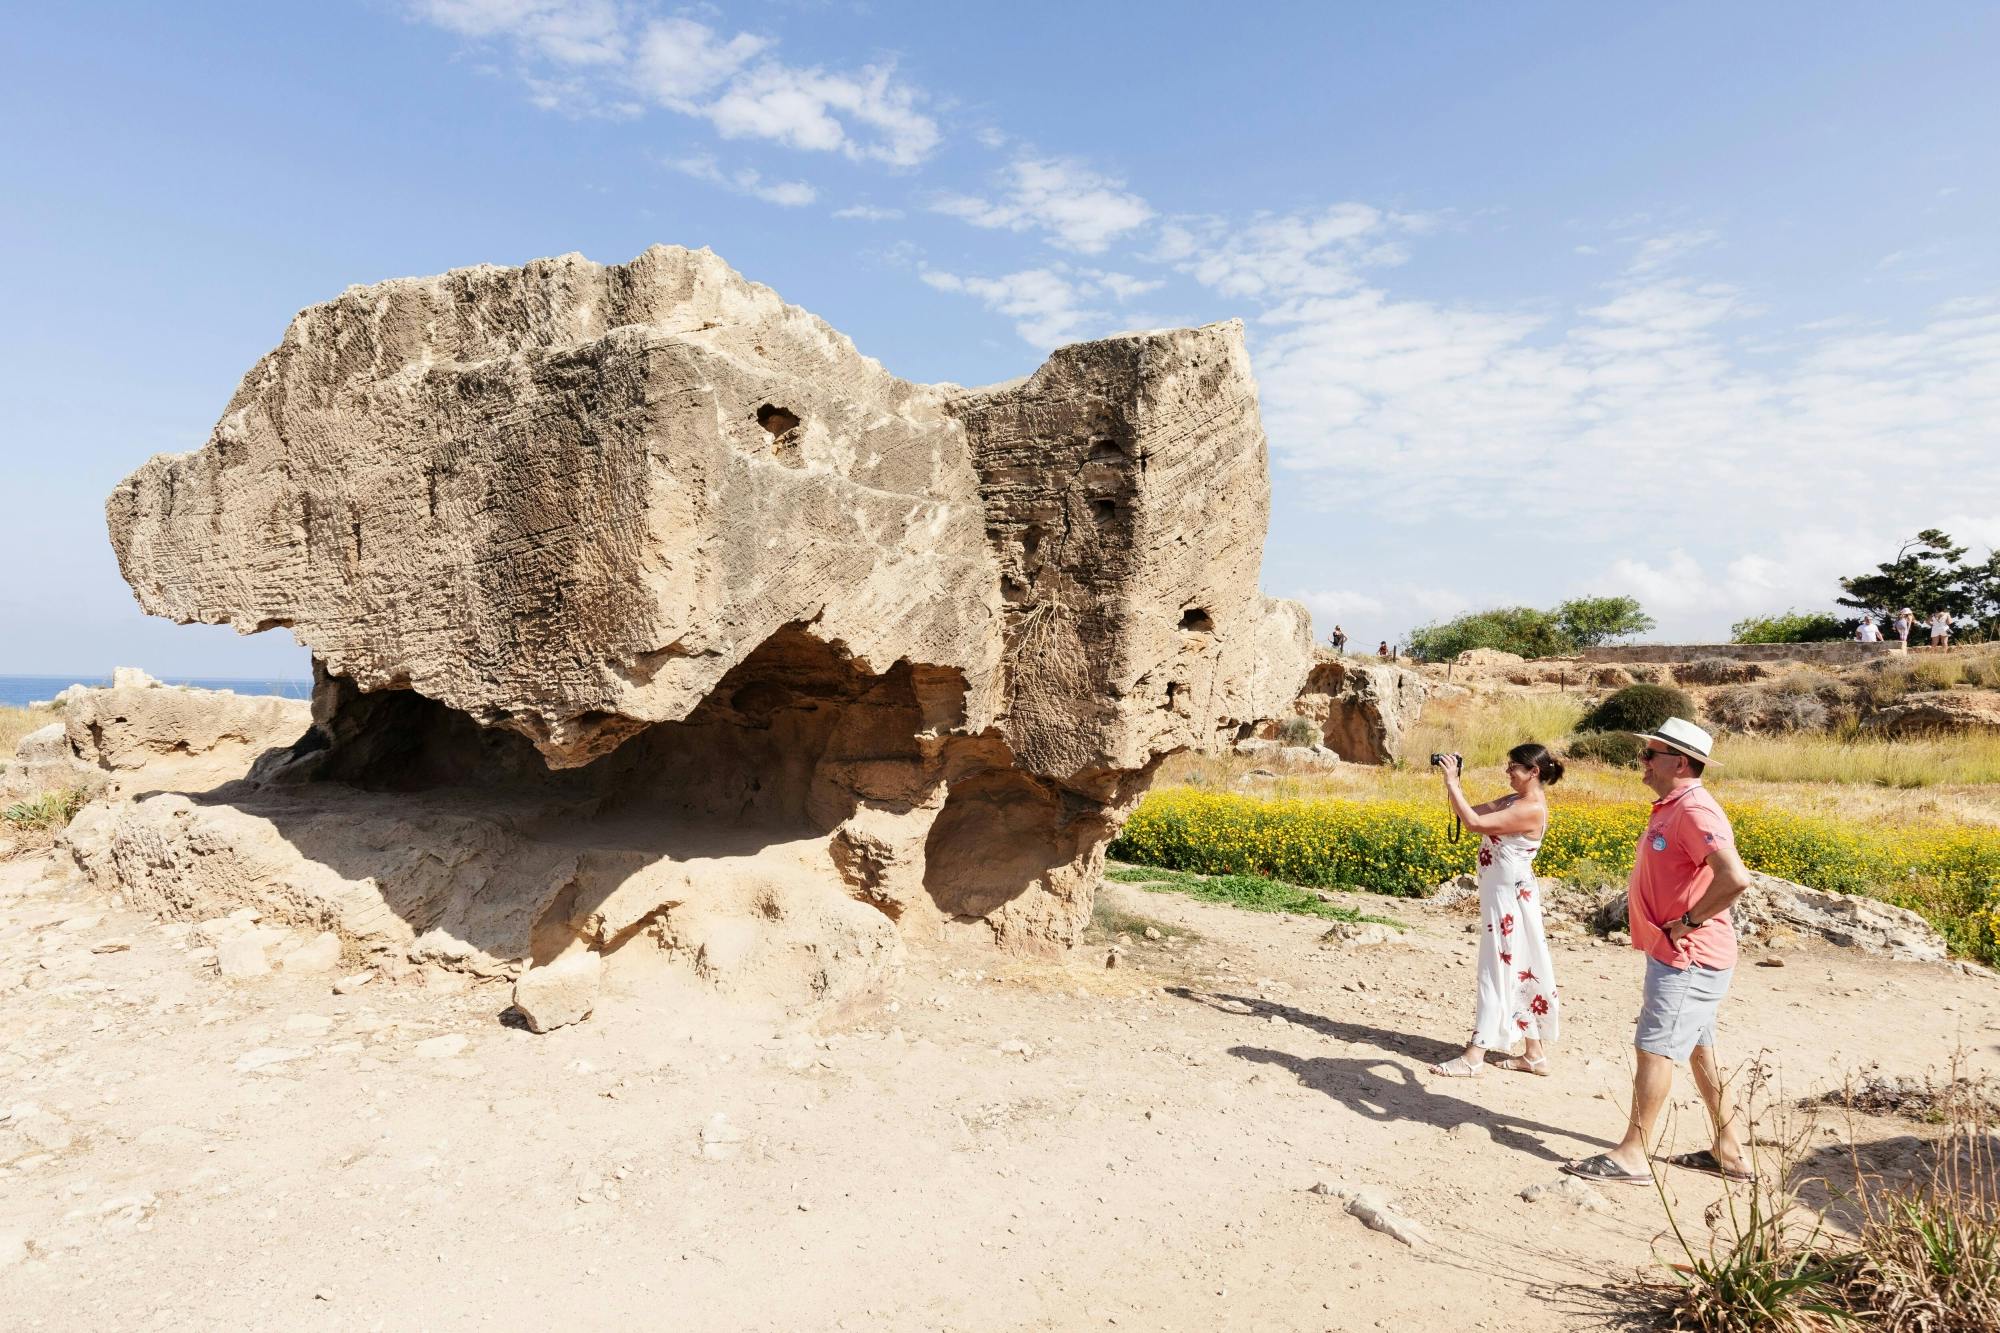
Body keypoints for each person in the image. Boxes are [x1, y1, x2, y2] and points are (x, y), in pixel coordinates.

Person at [1563, 718, 1754, 1187]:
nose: (1642, 761)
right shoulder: (1675, 805)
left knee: (1655, 1048)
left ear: (1681, 763)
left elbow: (1735, 878)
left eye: (1651, 754)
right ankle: (1729, 1150)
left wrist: (1688, 922)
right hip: (1683, 953)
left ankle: (1633, 1153)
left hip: (1688, 956)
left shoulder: (1695, 810)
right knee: (1698, 1050)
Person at [1427, 745, 1564, 1077]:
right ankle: (1535, 1055)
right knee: (1523, 967)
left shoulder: (1531, 808)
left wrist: (1451, 784)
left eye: (1514, 767)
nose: (1508, 772)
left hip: (1508, 903)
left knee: (1495, 969)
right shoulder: (1513, 801)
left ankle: (1475, 1055)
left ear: (1534, 772)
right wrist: (1455, 781)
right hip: (1506, 897)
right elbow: (1470, 813)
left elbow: (1473, 823)